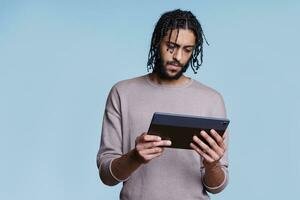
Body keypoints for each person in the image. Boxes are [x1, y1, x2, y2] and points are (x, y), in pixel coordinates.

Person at [97, 9, 229, 200]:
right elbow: (106, 176)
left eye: (187, 49)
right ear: (156, 43)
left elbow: (217, 187)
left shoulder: (211, 100)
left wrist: (212, 165)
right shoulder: (122, 93)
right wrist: (135, 156)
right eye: (171, 46)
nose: (178, 57)